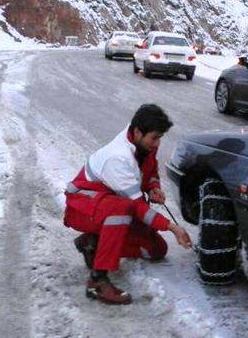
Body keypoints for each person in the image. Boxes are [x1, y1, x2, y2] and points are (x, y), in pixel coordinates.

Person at [63, 104, 192, 305]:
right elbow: (138, 207)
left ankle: (93, 244)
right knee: (122, 210)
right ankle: (97, 280)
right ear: (138, 132)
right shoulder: (118, 157)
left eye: (160, 138)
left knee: (156, 249)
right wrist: (172, 227)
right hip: (83, 206)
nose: (157, 144)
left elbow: (150, 172)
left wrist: (153, 187)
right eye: (155, 138)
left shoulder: (142, 144)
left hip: (107, 205)